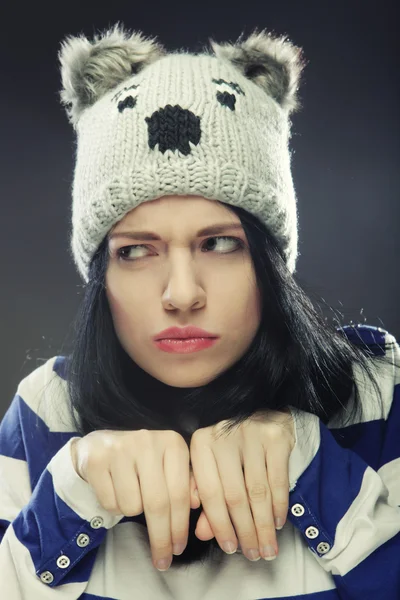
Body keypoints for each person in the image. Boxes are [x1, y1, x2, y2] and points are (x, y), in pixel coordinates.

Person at [0, 22, 399, 600]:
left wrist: (312, 467)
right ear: (101, 274)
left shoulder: (376, 388)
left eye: (219, 243)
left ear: (269, 261)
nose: (181, 294)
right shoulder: (45, 413)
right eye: (136, 251)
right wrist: (73, 492)